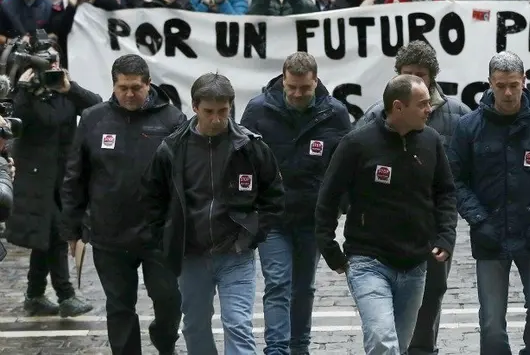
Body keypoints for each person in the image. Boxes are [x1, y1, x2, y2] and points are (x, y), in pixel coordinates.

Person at [139, 73, 285, 355]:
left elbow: (274, 194)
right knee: (194, 326)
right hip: (191, 255)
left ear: (231, 107)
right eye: (209, 112)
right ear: (194, 107)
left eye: (223, 111)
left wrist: (254, 232)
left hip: (236, 253)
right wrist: (164, 238)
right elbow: (152, 198)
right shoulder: (172, 148)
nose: (216, 119)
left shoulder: (250, 146)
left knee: (238, 324)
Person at [315, 74, 458, 355]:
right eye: (423, 104)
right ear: (398, 107)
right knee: (383, 341)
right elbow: (328, 197)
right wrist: (329, 247)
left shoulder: (431, 141)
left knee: (399, 347)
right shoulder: (357, 144)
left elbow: (446, 192)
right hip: (368, 261)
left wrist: (445, 236)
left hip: (415, 264)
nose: (430, 109)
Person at [61, 55, 186, 355]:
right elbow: (75, 177)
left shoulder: (172, 120)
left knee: (169, 301)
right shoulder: (93, 119)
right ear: (113, 86)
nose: (129, 94)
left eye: (136, 88)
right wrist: (71, 229)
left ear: (148, 85)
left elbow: (183, 181)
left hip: (158, 235)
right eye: (122, 88)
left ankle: (165, 340)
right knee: (119, 308)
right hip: (109, 235)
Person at [448, 51, 530, 355]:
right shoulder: (469, 127)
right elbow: (455, 179)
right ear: (490, 83)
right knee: (491, 320)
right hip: (490, 231)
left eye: (513, 85)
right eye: (500, 85)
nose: (507, 93)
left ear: (524, 81)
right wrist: (477, 219)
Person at [356, 41, 470, 355]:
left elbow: (465, 172)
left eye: (420, 75)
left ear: (432, 77)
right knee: (385, 296)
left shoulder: (457, 116)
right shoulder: (375, 116)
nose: (415, 81)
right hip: (384, 227)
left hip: (432, 224)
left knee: (431, 295)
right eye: (408, 74)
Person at [240, 52, 351, 355]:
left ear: (316, 81)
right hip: (272, 216)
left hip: (312, 217)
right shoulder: (258, 111)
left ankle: (299, 347)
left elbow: (346, 166)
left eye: (305, 88)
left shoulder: (335, 113)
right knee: (278, 283)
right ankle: (276, 349)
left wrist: (338, 207)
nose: (298, 94)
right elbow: (241, 162)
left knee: (303, 288)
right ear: (283, 80)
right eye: (293, 87)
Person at [4, 49, 101, 317]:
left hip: (64, 176)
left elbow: (96, 106)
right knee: (56, 233)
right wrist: (23, 89)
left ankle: (34, 294)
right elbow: (19, 123)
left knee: (46, 237)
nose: (52, 68)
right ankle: (65, 294)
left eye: (56, 62)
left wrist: (69, 88)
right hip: (36, 178)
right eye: (46, 63)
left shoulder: (64, 89)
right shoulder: (26, 94)